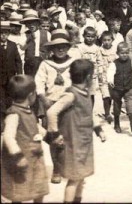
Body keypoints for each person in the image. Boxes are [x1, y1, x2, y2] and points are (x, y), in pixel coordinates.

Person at [46, 59, 107, 203]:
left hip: (83, 143)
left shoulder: (85, 93)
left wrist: (98, 129)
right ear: (87, 78)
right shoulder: (71, 95)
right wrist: (55, 134)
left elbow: (89, 113)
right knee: (74, 179)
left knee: (81, 177)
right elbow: (51, 112)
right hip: (73, 144)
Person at [35, 28, 77, 183]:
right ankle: (57, 169)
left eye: (64, 46)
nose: (60, 49)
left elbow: (79, 81)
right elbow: (38, 82)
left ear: (68, 47)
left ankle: (68, 166)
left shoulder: (73, 63)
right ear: (51, 48)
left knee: (68, 137)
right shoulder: (45, 64)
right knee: (54, 138)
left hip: (68, 104)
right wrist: (42, 97)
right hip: (51, 104)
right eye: (56, 46)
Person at [1, 75, 49, 203]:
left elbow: (34, 126)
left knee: (39, 188)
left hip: (34, 158)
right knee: (19, 191)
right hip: (21, 160)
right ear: (31, 95)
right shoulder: (14, 114)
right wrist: (18, 156)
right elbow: (8, 136)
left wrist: (47, 135)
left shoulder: (28, 111)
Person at [106, 43, 132, 134]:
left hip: (129, 87)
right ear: (117, 53)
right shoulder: (114, 64)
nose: (124, 55)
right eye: (122, 53)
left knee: (130, 105)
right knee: (117, 106)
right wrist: (110, 81)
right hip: (117, 88)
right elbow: (110, 73)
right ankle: (117, 124)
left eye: (126, 53)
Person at [1, 21, 23, 123]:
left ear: (8, 34)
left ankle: (9, 119)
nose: (3, 35)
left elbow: (18, 61)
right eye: (1, 33)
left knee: (10, 98)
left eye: (5, 33)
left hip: (10, 77)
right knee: (1, 99)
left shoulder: (12, 45)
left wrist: (19, 75)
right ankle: (1, 120)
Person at [75, 27, 101, 106]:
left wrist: (99, 72)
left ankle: (90, 111)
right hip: (82, 75)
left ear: (95, 37)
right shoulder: (80, 47)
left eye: (92, 37)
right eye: (88, 36)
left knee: (91, 94)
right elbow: (78, 60)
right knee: (81, 92)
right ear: (83, 36)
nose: (90, 39)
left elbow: (99, 61)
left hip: (92, 75)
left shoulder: (96, 48)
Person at [96, 31, 118, 123]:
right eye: (104, 40)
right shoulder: (99, 50)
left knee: (114, 95)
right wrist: (100, 74)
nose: (106, 42)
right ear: (101, 40)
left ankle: (115, 112)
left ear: (112, 40)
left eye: (109, 40)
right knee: (106, 95)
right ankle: (107, 113)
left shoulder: (115, 50)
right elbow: (99, 63)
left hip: (114, 76)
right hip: (104, 75)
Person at [22, 10, 51, 76]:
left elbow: (50, 49)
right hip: (29, 64)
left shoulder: (47, 34)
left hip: (43, 62)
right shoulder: (24, 35)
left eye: (33, 23)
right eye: (29, 23)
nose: (31, 25)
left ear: (38, 23)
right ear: (26, 24)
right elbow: (22, 49)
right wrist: (29, 39)